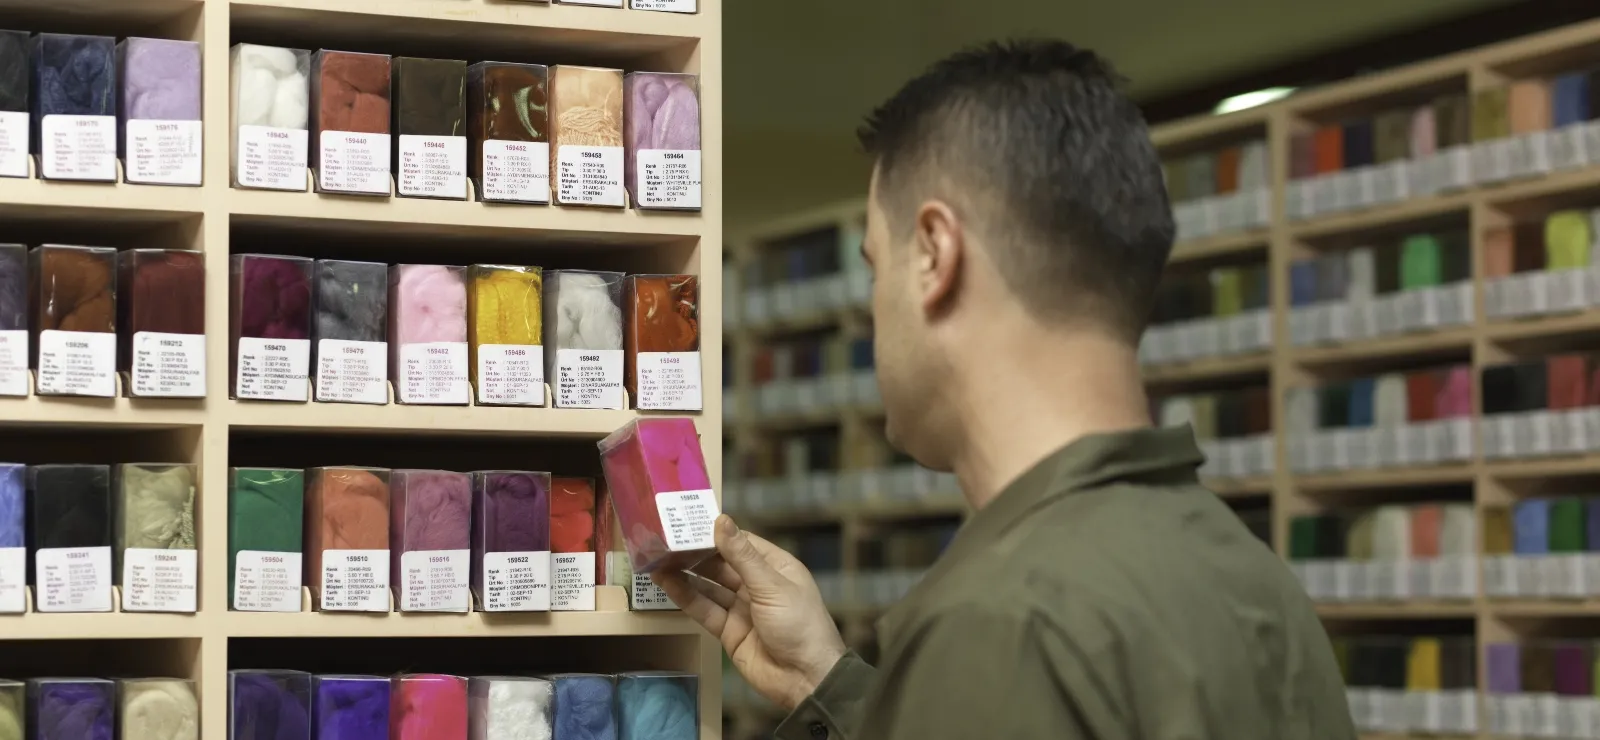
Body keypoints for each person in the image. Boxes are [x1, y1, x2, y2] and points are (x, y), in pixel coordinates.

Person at [653, 39, 1354, 739]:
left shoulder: (1005, 620)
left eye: (876, 267)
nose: (875, 310)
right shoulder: (1254, 580)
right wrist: (825, 681)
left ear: (934, 254)